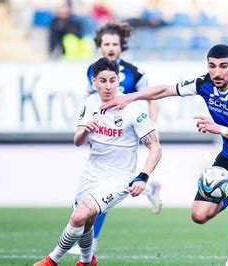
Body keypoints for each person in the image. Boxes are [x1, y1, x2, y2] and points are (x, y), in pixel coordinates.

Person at [101, 44, 228, 266]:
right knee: (199, 216)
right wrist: (130, 98)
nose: (217, 72)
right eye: (212, 66)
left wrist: (219, 129)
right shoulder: (204, 83)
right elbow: (165, 90)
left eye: (223, 66)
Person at [34, 58, 162, 266]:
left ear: (118, 80)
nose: (108, 85)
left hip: (119, 177)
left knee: (78, 217)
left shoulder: (133, 109)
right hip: (91, 172)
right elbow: (78, 142)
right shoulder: (90, 102)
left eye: (112, 80)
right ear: (94, 81)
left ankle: (51, 260)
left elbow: (155, 147)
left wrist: (143, 177)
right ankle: (87, 262)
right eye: (103, 80)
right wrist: (85, 129)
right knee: (87, 222)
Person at [69, 20, 162, 255]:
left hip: (129, 131)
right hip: (103, 131)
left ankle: (93, 239)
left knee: (107, 183)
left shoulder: (134, 73)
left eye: (115, 44)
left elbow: (151, 98)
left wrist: (151, 126)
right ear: (100, 46)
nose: (110, 47)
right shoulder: (93, 70)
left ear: (122, 46)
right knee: (105, 183)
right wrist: (84, 121)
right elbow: (89, 96)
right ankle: (150, 188)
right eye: (106, 43)